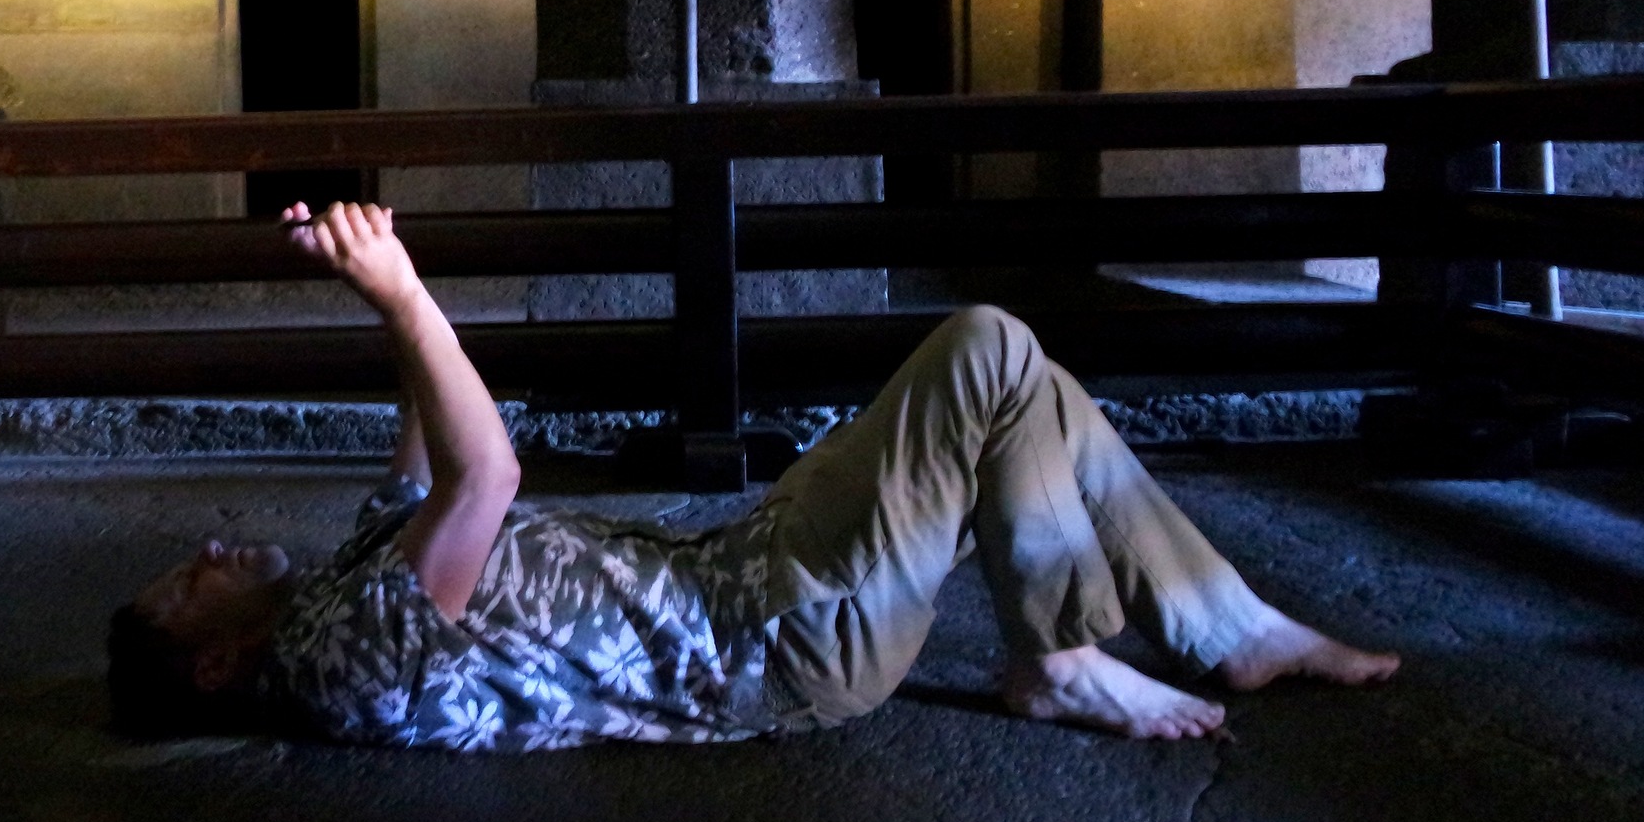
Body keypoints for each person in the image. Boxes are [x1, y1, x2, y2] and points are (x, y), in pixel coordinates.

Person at [109, 200, 1398, 751]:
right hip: (783, 636)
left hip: (749, 560)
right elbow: (486, 474)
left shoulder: (339, 592)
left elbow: (433, 470)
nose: (211, 554)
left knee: (1028, 389)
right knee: (991, 348)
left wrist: (377, 277)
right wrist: (402, 293)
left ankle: (1230, 629)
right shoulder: (342, 666)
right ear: (215, 663)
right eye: (187, 585)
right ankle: (1059, 664)